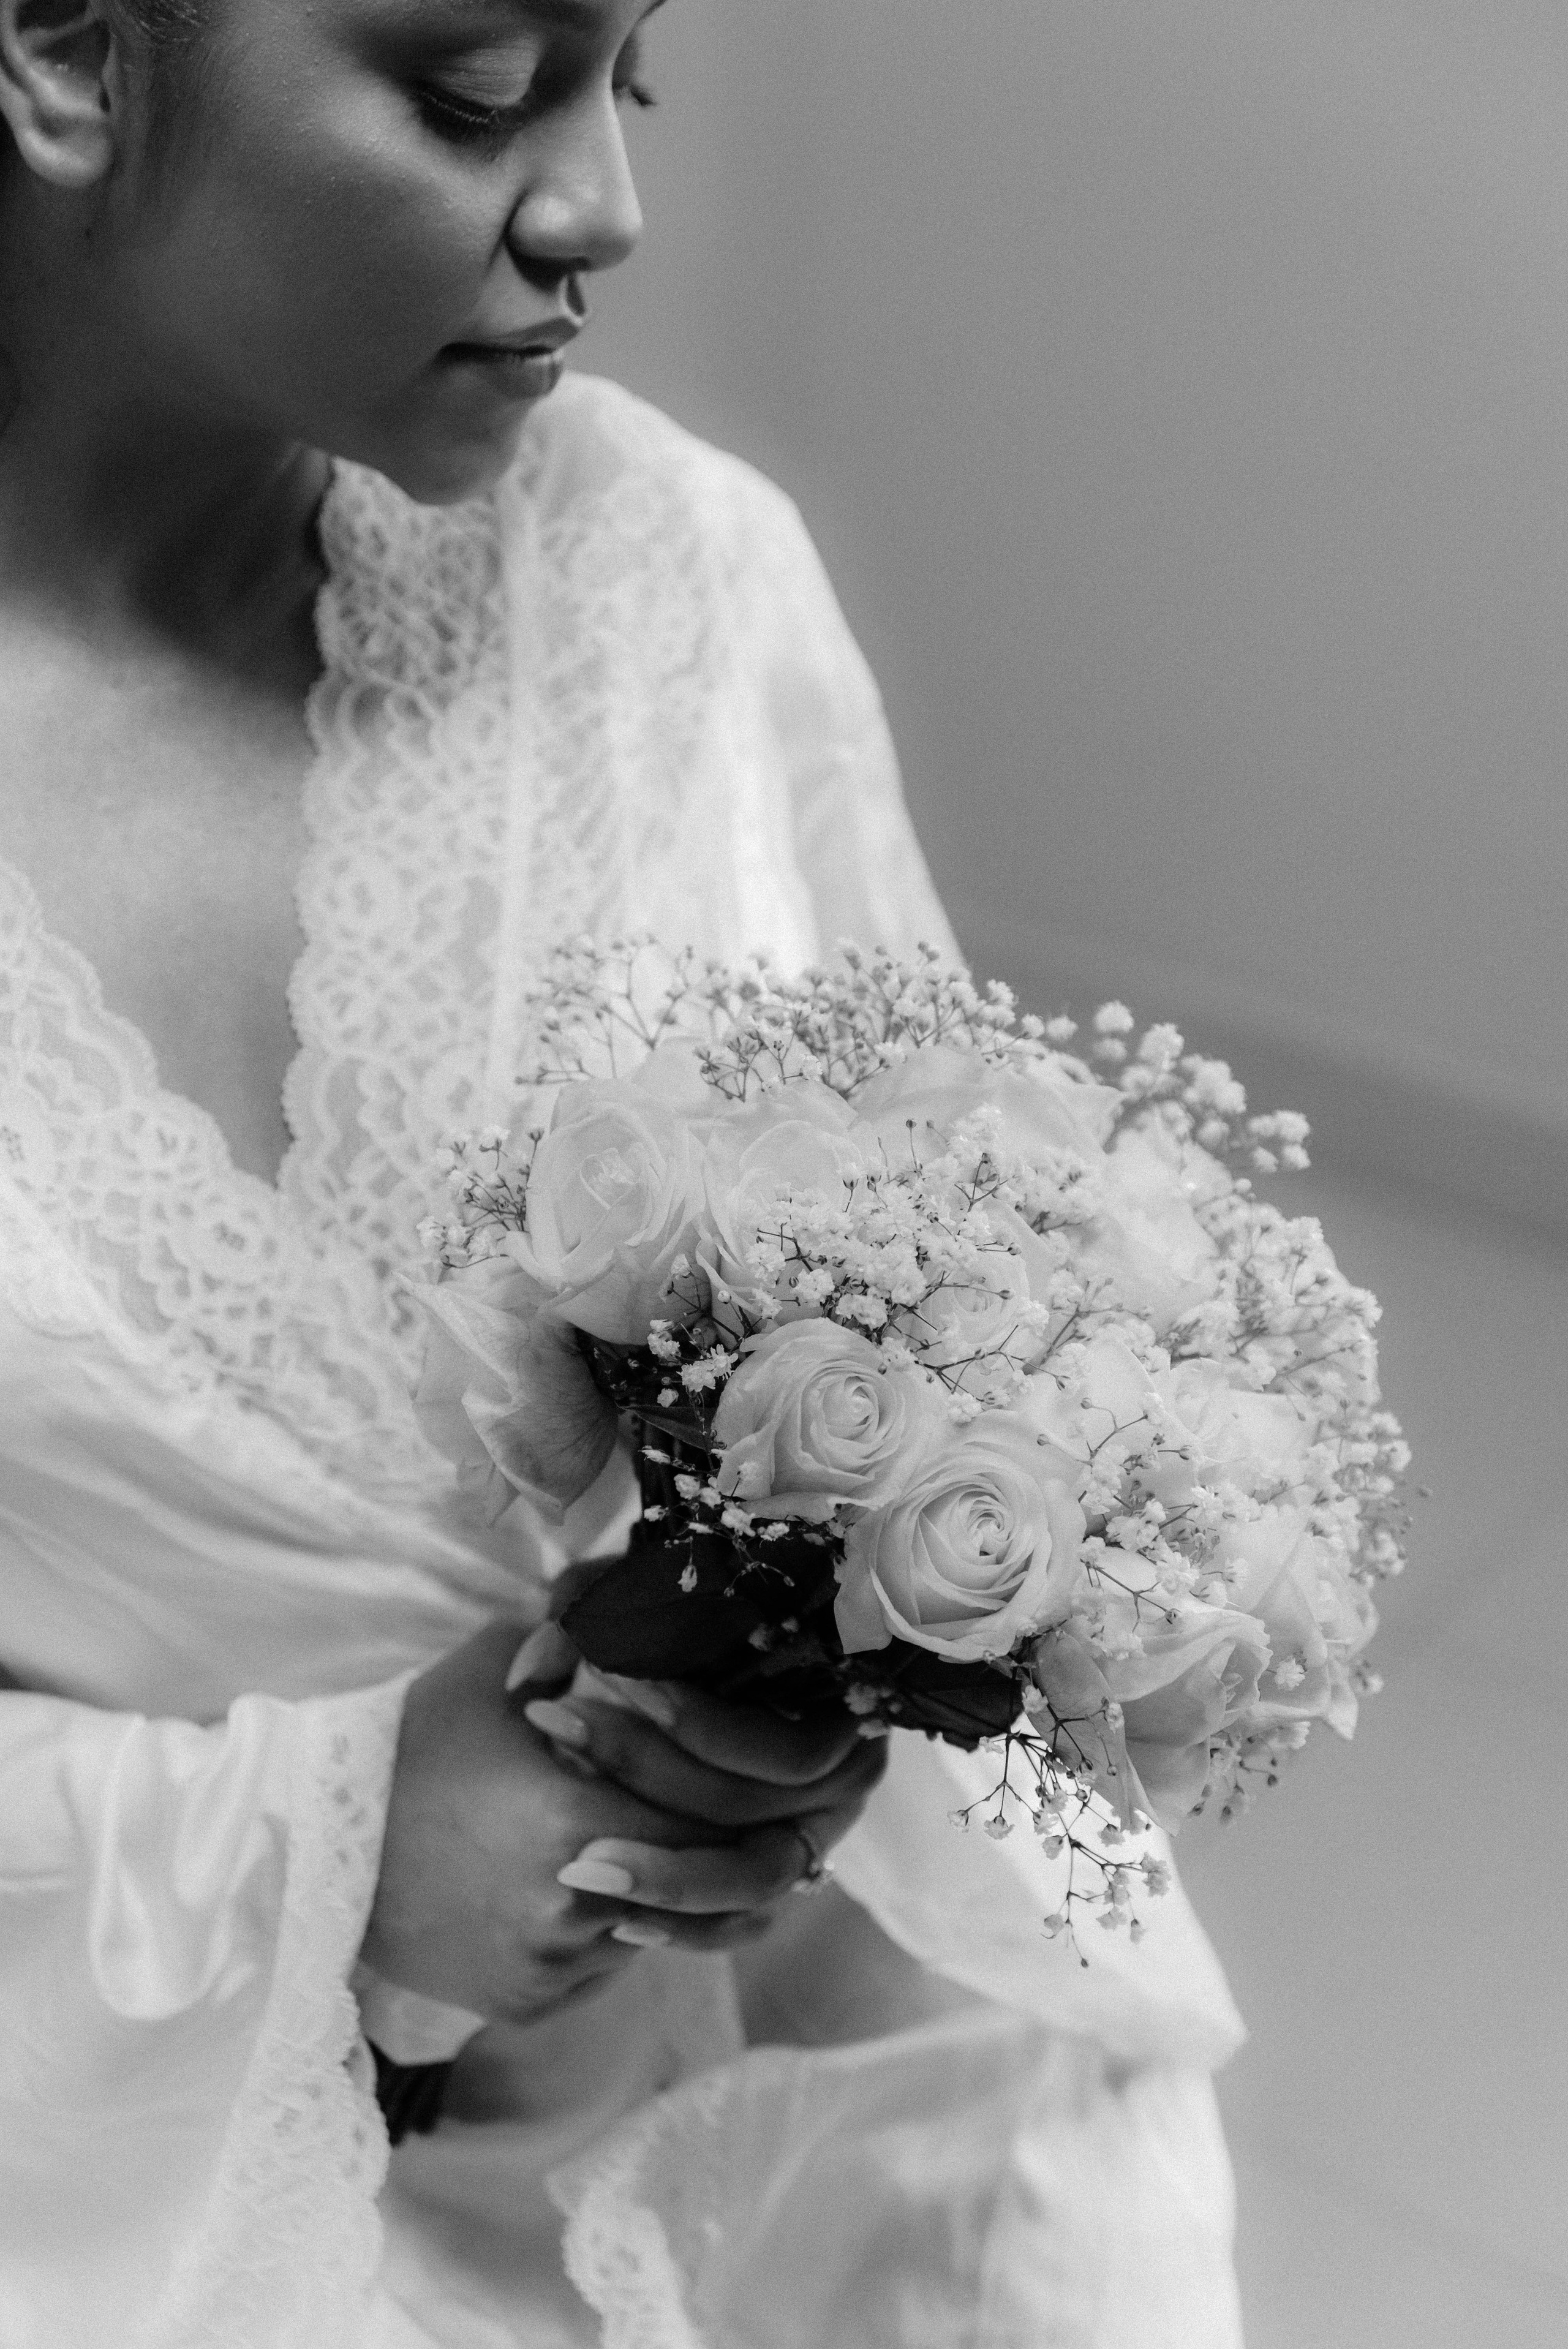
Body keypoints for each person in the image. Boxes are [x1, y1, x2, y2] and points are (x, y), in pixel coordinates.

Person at [0, 2, 1246, 2342]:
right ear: (65, 58)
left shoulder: (674, 580)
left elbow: (975, 1288)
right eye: (475, 88)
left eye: (630, 74)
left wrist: (843, 1664)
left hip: (796, 2098)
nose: (602, 203)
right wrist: (331, 1854)